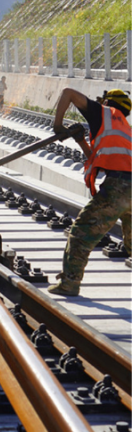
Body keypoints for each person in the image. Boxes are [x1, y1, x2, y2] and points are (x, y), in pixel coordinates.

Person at [49, 87, 131, 296]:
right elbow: (100, 161)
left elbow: (67, 92)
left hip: (118, 188)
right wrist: (81, 140)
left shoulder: (103, 113)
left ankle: (69, 283)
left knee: (80, 235)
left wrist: (57, 126)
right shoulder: (125, 130)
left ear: (107, 102)